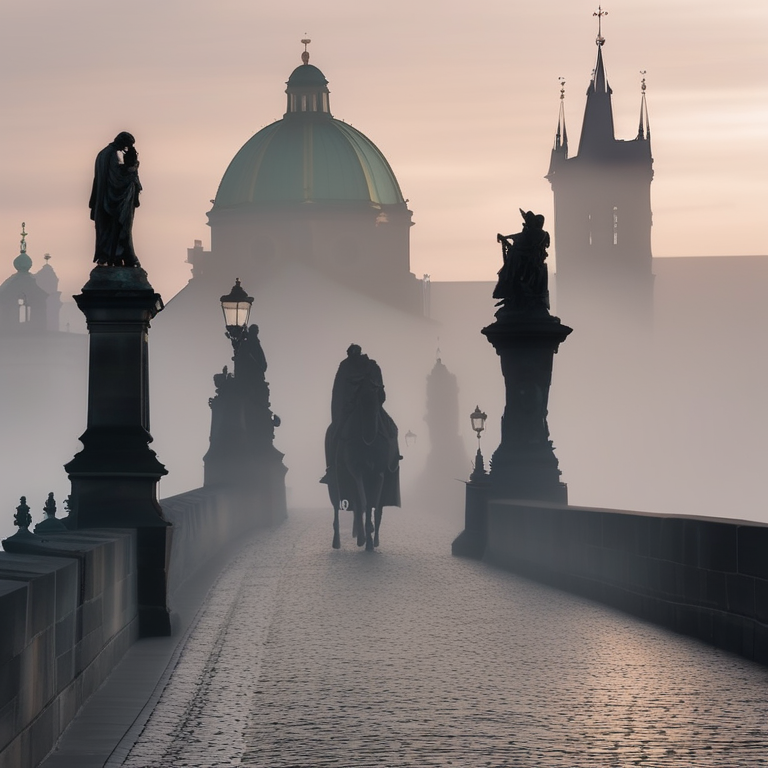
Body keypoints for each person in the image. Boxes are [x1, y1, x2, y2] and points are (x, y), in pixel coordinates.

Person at [89, 131, 142, 266]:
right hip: (113, 202)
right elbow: (118, 178)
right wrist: (133, 168)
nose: (126, 149)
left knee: (109, 231)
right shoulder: (111, 154)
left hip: (104, 200)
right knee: (119, 229)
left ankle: (113, 256)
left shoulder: (103, 154)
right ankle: (117, 255)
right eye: (127, 145)